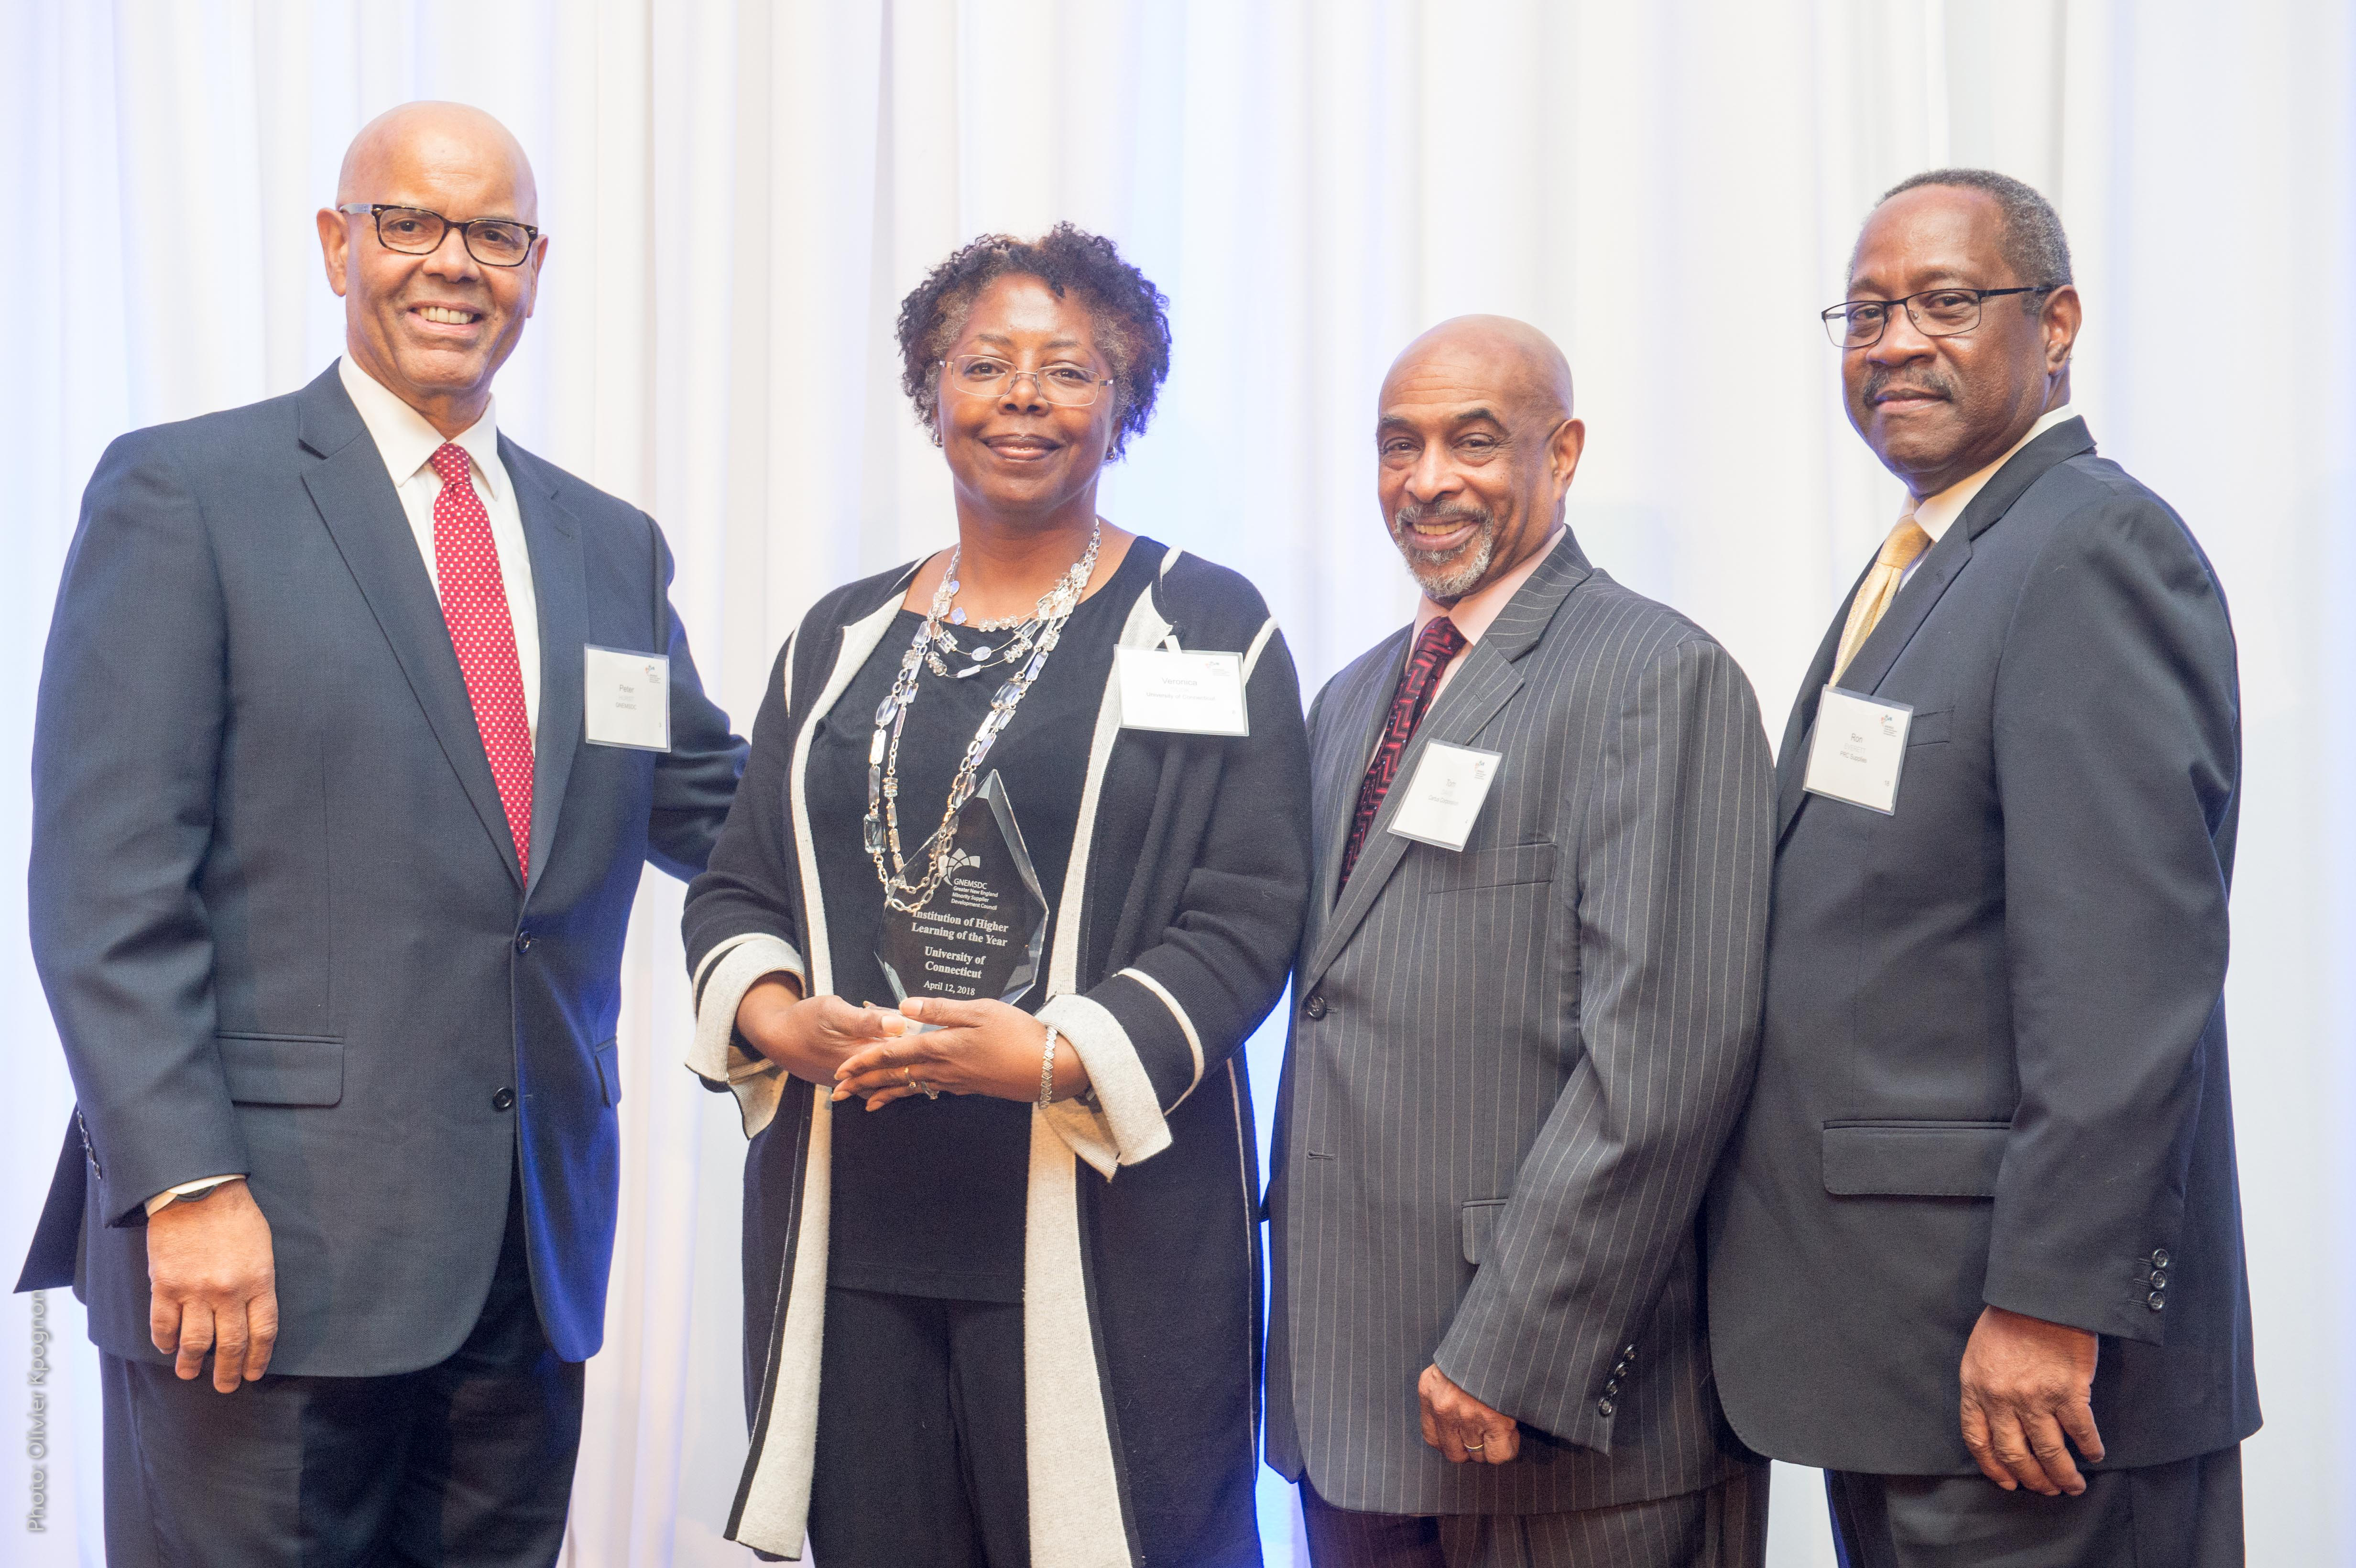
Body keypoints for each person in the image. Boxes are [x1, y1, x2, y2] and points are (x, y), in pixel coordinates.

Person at [14, 102, 746, 1566]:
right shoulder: (186, 494)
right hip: (254, 1256)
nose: (453, 265)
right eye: (410, 223)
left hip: (523, 1263)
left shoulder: (609, 545)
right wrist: (185, 1181)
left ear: (538, 267)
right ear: (338, 244)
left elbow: (712, 807)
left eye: (496, 234)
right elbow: (106, 886)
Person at [680, 224, 1310, 1567]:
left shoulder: (1209, 625)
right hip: (856, 1227)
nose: (1022, 396)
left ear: (1125, 401)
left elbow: (1253, 905)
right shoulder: (838, 639)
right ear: (932, 391)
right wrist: (777, 1014)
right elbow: (740, 877)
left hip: (1101, 1230)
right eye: (986, 364)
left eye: (1070, 369)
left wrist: (1059, 1050)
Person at [1705, 169, 2257, 1566]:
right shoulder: (1938, 559)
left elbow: (2128, 974)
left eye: (1946, 302)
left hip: (2026, 1374)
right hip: (1899, 1353)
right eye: (1867, 312)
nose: (1895, 342)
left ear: (2056, 323)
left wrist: (2050, 1303)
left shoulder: (2093, 550)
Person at [1264, 315, 1775, 1568]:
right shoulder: (1347, 702)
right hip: (1353, 1421)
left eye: (1473, 440)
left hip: (1560, 1420)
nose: (1428, 479)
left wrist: (1511, 1348)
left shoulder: (1661, 677)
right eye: (1399, 445)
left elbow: (1667, 1058)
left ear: (1566, 452)